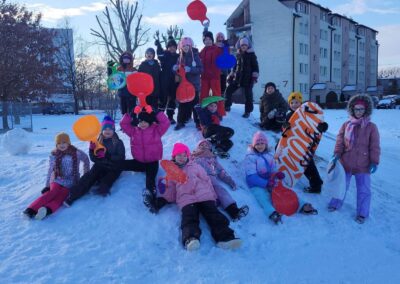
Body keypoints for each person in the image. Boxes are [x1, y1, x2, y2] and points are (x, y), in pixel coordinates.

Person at [157, 143, 242, 251]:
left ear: (188, 156)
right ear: (174, 157)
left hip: (205, 195)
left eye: (184, 155)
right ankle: (190, 238)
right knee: (189, 217)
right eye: (179, 155)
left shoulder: (196, 166)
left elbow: (207, 180)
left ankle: (225, 238)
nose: (182, 158)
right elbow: (171, 190)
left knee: (214, 215)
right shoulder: (172, 172)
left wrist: (213, 195)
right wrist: (162, 200)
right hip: (186, 199)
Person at [244, 131, 318, 224]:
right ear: (253, 145)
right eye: (257, 144)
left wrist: (277, 173)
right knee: (262, 196)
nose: (260, 146)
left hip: (269, 179)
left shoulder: (269, 155)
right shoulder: (250, 157)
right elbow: (251, 177)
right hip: (256, 183)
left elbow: (273, 167)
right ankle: (271, 212)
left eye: (262, 143)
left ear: (266, 144)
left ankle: (301, 204)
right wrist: (265, 183)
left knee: (284, 190)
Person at [329, 94, 380, 224]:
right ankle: (335, 204)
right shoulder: (346, 125)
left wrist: (374, 161)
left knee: (364, 190)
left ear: (366, 110)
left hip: (363, 165)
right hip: (346, 162)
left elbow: (374, 146)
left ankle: (362, 213)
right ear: (352, 109)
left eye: (361, 109)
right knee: (341, 186)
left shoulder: (371, 127)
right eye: (356, 109)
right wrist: (336, 154)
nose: (359, 112)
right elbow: (340, 141)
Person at [23, 133, 89, 220]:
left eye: (64, 142)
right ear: (56, 144)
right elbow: (50, 170)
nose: (61, 145)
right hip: (57, 180)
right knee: (52, 192)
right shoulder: (54, 155)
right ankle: (31, 209)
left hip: (71, 182)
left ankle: (46, 210)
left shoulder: (76, 153)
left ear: (68, 143)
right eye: (59, 143)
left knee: (60, 197)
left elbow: (86, 160)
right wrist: (47, 185)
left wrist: (85, 174)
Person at [64, 116, 125, 206]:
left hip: (113, 167)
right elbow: (93, 158)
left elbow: (121, 157)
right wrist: (92, 150)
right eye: (105, 129)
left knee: (106, 183)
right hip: (100, 165)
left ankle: (102, 185)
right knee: (88, 177)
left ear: (114, 130)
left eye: (110, 129)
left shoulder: (118, 142)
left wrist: (107, 156)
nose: (107, 131)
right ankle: (72, 195)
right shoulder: (97, 141)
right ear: (102, 130)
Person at [119, 110, 170, 213]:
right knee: (121, 164)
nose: (142, 124)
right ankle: (106, 170)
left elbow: (166, 123)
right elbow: (123, 124)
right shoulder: (133, 131)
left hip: (152, 162)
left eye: (145, 121)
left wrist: (157, 113)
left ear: (150, 122)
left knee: (150, 178)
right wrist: (130, 114)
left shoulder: (157, 130)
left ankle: (150, 195)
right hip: (139, 162)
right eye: (140, 121)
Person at [191, 139, 249, 221]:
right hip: (198, 178)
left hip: (210, 177)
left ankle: (233, 210)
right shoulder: (193, 157)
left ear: (210, 148)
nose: (204, 146)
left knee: (220, 190)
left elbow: (221, 171)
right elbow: (184, 164)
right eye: (201, 145)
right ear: (197, 147)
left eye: (206, 145)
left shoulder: (212, 159)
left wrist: (230, 181)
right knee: (203, 193)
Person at [284, 91, 326, 193]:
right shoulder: (289, 115)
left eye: (297, 102)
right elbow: (284, 129)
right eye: (292, 103)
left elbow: (317, 122)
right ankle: (288, 175)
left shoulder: (307, 114)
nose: (294, 105)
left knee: (307, 164)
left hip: (306, 143)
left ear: (301, 103)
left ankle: (316, 184)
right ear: (289, 104)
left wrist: (323, 126)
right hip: (294, 143)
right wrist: (285, 127)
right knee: (301, 163)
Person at [173, 37, 203, 131]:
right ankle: (180, 122)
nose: (185, 47)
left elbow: (201, 69)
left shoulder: (196, 56)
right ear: (181, 47)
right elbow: (177, 71)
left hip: (194, 85)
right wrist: (174, 69)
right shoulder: (180, 58)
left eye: (187, 45)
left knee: (195, 105)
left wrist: (191, 69)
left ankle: (198, 123)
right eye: (184, 45)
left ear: (190, 46)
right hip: (183, 86)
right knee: (182, 104)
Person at [224, 37, 259, 118]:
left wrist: (254, 78)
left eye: (245, 45)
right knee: (228, 90)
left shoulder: (252, 55)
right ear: (240, 46)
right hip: (237, 79)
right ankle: (227, 106)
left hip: (248, 79)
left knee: (248, 96)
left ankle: (248, 111)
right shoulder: (238, 55)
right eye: (242, 45)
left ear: (248, 46)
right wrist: (231, 75)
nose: (244, 46)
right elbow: (235, 66)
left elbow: (255, 67)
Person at [199, 29, 225, 117]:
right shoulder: (202, 51)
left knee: (216, 95)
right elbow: (197, 59)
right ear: (204, 41)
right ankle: (202, 112)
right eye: (206, 40)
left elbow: (224, 54)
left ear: (212, 40)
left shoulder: (217, 49)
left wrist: (224, 44)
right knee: (203, 95)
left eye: (209, 39)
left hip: (215, 76)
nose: (208, 41)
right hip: (204, 77)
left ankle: (219, 113)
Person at [155, 36, 179, 124]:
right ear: (167, 48)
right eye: (170, 46)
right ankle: (160, 117)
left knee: (172, 98)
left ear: (176, 48)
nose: (172, 48)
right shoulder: (165, 54)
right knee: (163, 98)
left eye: (174, 46)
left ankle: (170, 117)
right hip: (164, 78)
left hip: (174, 79)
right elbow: (160, 55)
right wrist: (158, 46)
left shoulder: (178, 56)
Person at [215, 32, 229, 96]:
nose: (220, 38)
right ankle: (216, 104)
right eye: (219, 36)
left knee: (223, 88)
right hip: (215, 70)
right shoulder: (214, 46)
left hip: (224, 70)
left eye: (221, 36)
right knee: (216, 88)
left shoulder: (226, 45)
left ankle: (222, 104)